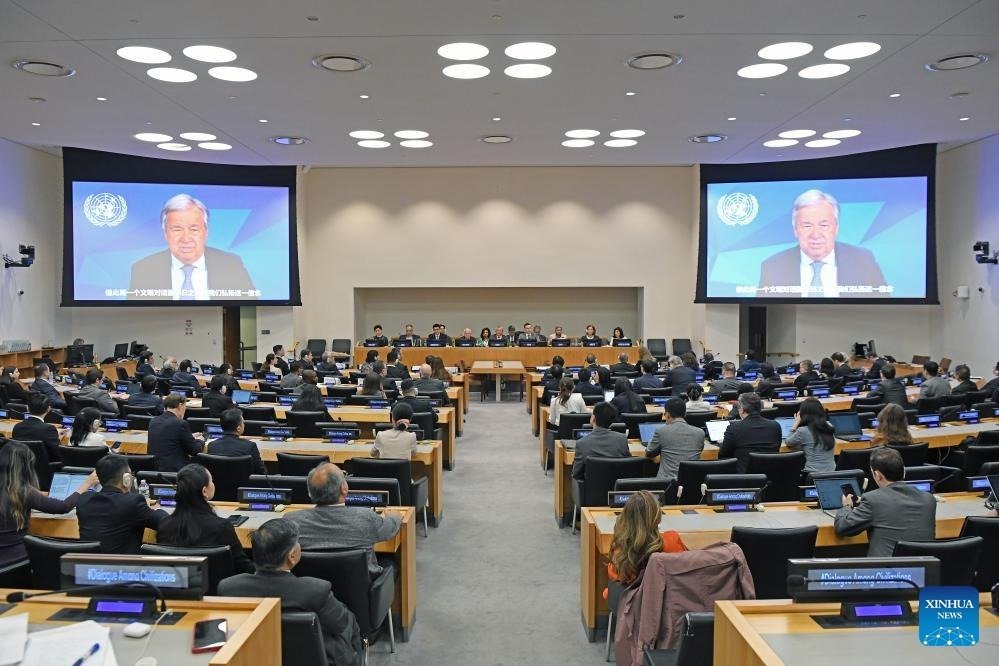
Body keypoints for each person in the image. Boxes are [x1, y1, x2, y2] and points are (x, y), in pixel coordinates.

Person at [217, 519, 362, 666]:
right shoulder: (315, 590)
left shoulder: (228, 588)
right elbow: (342, 623)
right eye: (298, 543)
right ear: (292, 556)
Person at [757, 189, 887, 297]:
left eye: (824, 225)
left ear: (836, 228)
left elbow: (883, 305)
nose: (816, 235)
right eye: (807, 226)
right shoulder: (773, 266)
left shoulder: (863, 260)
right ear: (795, 230)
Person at [128, 193, 256, 300]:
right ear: (165, 233)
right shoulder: (143, 269)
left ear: (206, 232)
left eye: (194, 229)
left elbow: (251, 305)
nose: (186, 238)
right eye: (177, 229)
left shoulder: (231, 264)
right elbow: (133, 315)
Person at [285, 463, 401, 577]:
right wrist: (394, 516)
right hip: (360, 586)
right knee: (390, 562)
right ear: (344, 488)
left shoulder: (291, 521)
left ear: (310, 493)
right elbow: (390, 530)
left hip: (311, 586)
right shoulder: (365, 517)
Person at [0, 442, 98, 566]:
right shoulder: (24, 492)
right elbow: (64, 507)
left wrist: (45, 494)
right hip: (15, 560)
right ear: (25, 467)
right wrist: (86, 484)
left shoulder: (18, 492)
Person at [833, 447, 935, 557]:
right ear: (904, 471)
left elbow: (843, 527)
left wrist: (847, 506)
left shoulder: (872, 500)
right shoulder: (929, 499)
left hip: (885, 567)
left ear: (878, 475)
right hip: (922, 566)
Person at [156, 463, 253, 573]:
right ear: (204, 491)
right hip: (216, 584)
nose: (213, 484)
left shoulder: (164, 525)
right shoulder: (222, 527)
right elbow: (244, 569)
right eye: (211, 481)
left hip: (177, 583)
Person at [77, 454, 167, 553]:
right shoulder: (133, 502)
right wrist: (156, 509)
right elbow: (165, 522)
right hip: (123, 563)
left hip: (89, 562)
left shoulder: (83, 500)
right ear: (126, 479)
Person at [606, 491, 686, 589]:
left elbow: (615, 589)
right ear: (657, 518)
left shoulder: (619, 553)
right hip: (664, 598)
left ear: (625, 517)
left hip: (630, 599)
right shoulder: (672, 541)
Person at [717, 393, 782, 473]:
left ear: (742, 409)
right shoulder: (775, 426)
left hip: (744, 478)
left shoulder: (734, 428)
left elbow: (723, 455)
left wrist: (722, 444)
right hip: (771, 475)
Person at [645, 398, 705, 480]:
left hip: (666, 483)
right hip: (691, 481)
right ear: (685, 414)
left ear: (668, 414)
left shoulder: (662, 431)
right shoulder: (700, 433)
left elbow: (649, 453)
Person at [571, 402, 630, 482]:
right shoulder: (622, 439)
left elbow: (576, 474)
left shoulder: (581, 443)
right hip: (616, 487)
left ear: (593, 418)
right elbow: (627, 465)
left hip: (591, 488)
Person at [147, 394, 204, 472]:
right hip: (175, 471)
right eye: (185, 407)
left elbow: (170, 437)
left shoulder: (153, 421)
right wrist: (200, 440)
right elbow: (195, 450)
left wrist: (190, 437)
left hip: (154, 470)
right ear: (180, 406)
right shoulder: (181, 423)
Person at [207, 409, 266, 474]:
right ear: (238, 428)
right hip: (244, 480)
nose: (244, 424)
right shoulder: (250, 446)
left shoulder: (211, 445)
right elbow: (260, 471)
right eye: (243, 422)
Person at [785, 398, 836, 473]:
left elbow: (788, 442)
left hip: (812, 475)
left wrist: (795, 424)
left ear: (803, 414)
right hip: (832, 473)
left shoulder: (803, 431)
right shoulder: (829, 425)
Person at [11, 393, 62, 463]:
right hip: (44, 467)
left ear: (27, 408)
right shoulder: (49, 429)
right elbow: (59, 454)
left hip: (22, 465)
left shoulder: (18, 426)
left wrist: (54, 436)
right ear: (48, 409)